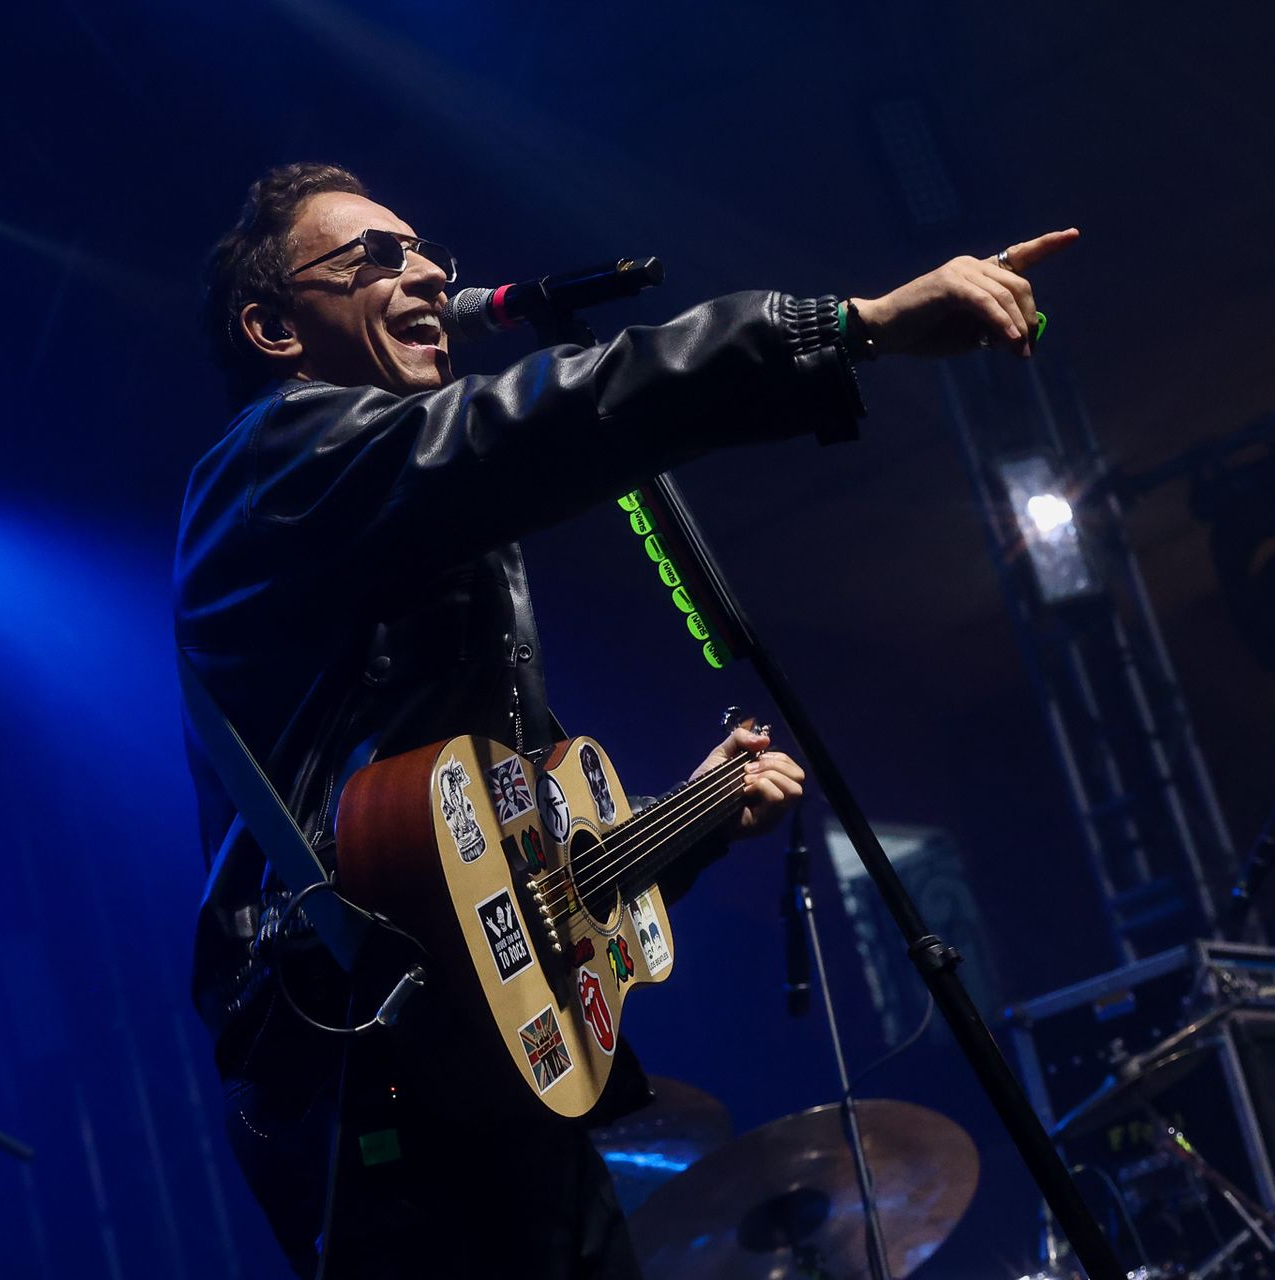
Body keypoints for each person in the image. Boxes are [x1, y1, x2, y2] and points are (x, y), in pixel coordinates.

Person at [176, 162, 1076, 1279]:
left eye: (426, 256)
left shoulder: (431, 521)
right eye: (373, 256)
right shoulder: (273, 465)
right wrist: (857, 326)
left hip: (489, 1059)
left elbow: (520, 874)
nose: (422, 277)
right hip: (360, 1062)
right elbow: (539, 416)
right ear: (271, 324)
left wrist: (694, 815)